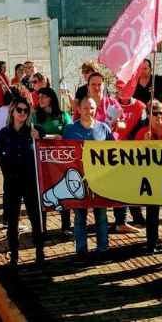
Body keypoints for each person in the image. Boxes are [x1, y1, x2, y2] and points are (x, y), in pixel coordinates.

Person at [0, 97, 46, 266]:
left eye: (25, 110)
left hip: (31, 181)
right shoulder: (4, 133)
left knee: (36, 219)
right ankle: (14, 254)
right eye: (19, 110)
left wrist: (40, 139)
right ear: (12, 111)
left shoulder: (36, 130)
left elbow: (48, 149)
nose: (22, 113)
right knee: (12, 220)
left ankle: (39, 252)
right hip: (12, 182)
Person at [63, 96, 113, 264]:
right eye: (85, 108)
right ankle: (81, 250)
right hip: (78, 180)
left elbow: (113, 152)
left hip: (100, 181)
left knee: (101, 217)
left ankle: (103, 249)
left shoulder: (104, 129)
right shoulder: (70, 129)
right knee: (80, 217)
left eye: (91, 108)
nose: (89, 111)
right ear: (79, 109)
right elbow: (63, 153)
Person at [133, 101, 162, 255]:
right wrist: (144, 144)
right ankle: (151, 244)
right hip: (151, 178)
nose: (159, 116)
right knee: (152, 213)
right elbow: (134, 157)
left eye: (161, 113)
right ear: (148, 115)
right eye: (155, 113)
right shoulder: (142, 134)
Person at [30, 87, 72, 235]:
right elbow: (32, 135)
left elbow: (67, 136)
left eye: (43, 96)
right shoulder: (34, 117)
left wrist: (47, 137)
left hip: (60, 160)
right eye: (38, 97)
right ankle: (42, 228)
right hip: (41, 160)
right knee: (42, 192)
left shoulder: (63, 116)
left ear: (51, 98)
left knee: (63, 192)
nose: (40, 99)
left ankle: (66, 226)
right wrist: (54, 136)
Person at [113, 80, 147, 229]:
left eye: (125, 87)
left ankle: (137, 215)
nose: (122, 90)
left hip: (133, 150)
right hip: (116, 151)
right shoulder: (112, 105)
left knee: (134, 184)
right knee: (119, 185)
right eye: (119, 88)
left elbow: (144, 126)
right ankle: (121, 220)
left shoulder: (140, 106)